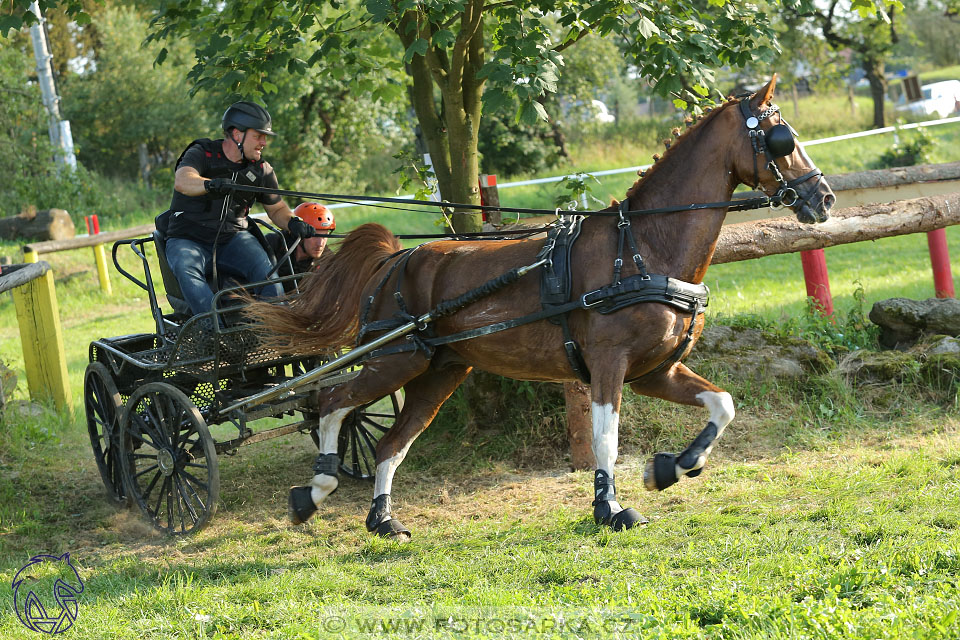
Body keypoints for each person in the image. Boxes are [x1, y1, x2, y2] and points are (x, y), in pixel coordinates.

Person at [163, 100, 317, 316]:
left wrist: (293, 222)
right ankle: (212, 330)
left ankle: (280, 327)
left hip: (233, 239)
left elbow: (276, 209)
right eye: (258, 136)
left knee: (266, 270)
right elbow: (183, 180)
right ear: (237, 134)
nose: (264, 142)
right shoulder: (203, 152)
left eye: (265, 137)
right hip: (188, 239)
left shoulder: (262, 171)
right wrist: (208, 185)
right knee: (186, 268)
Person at [264, 202, 336, 292]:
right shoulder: (274, 243)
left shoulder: (327, 259)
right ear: (297, 233)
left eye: (325, 236)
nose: (320, 243)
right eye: (314, 236)